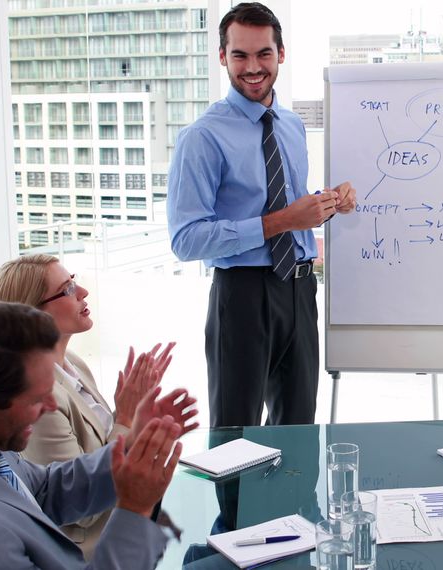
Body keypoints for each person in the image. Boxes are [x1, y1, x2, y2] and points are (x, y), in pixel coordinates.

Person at [0, 303, 199, 569]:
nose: (53, 405)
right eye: (37, 398)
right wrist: (135, 509)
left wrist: (132, 449)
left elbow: (41, 491)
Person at [166, 2, 357, 428]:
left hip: (301, 290)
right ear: (222, 57)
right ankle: (237, 501)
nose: (253, 67)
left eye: (263, 54)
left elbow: (286, 205)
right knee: (237, 432)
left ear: (281, 54)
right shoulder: (201, 137)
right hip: (243, 296)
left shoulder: (291, 126)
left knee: (298, 428)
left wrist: (327, 204)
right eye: (240, 55)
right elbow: (186, 240)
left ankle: (294, 500)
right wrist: (287, 220)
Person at [0, 254, 180, 557]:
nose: (82, 292)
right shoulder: (38, 400)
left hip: (139, 524)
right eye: (67, 289)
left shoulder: (73, 364)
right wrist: (127, 417)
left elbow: (99, 446)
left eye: (74, 281)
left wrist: (134, 414)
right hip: (97, 552)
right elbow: (81, 512)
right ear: (33, 314)